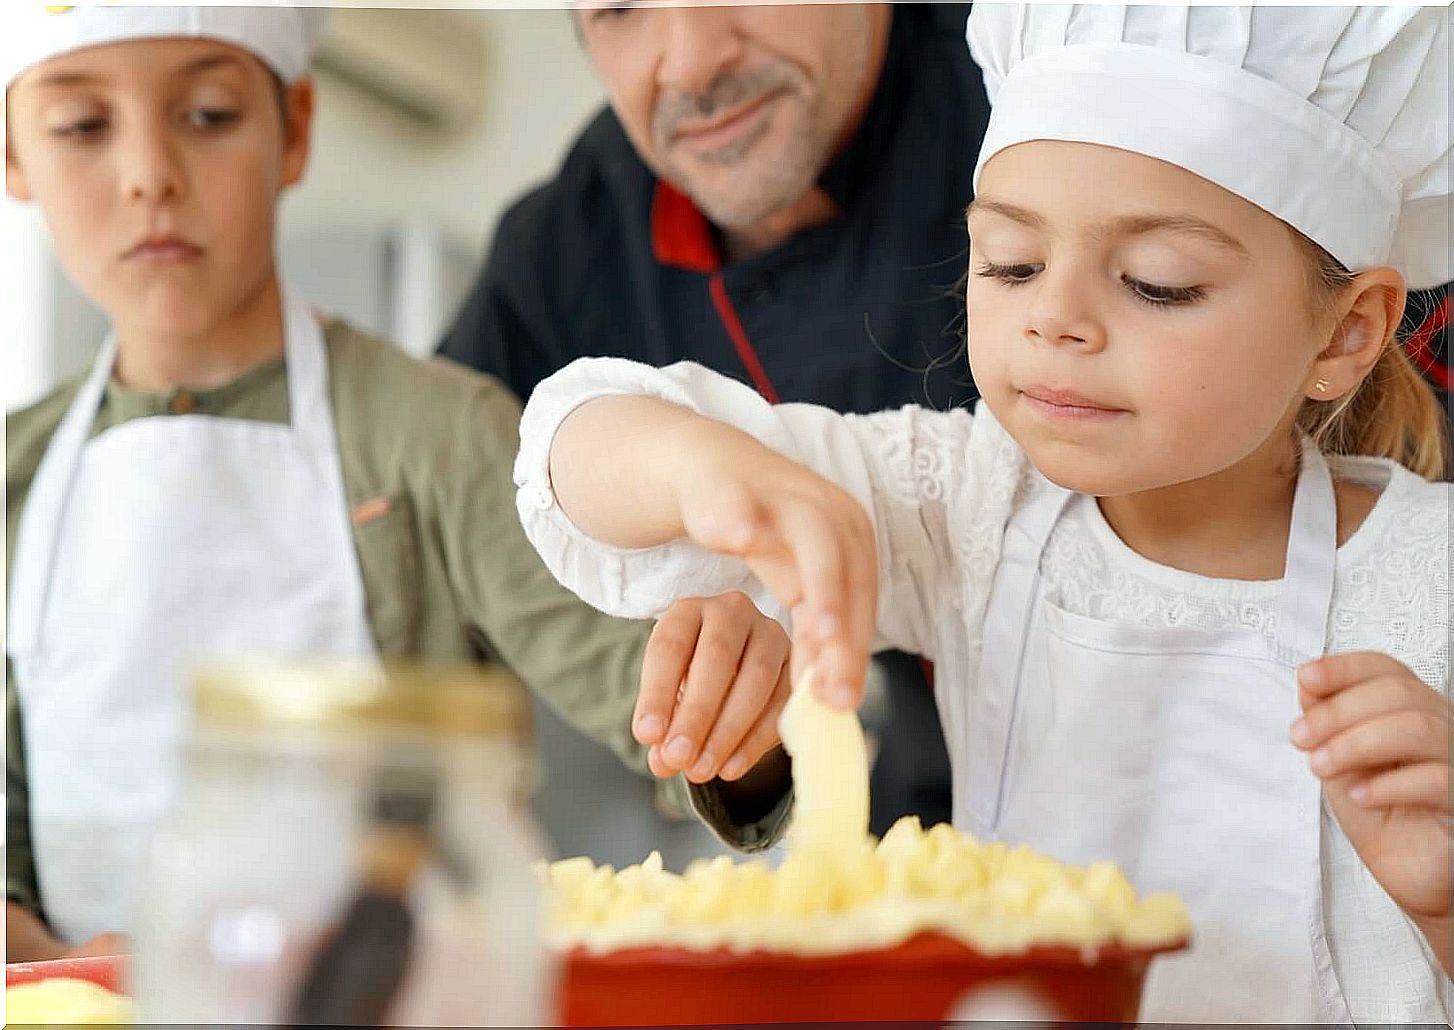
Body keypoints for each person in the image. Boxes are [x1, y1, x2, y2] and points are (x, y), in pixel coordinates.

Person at [512, 4, 1452, 1022]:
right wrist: (710, 468)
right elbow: (570, 440)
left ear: (1346, 334)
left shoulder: (1429, 580)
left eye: (1155, 282)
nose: (1052, 317)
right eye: (1009, 262)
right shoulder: (972, 504)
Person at [4, 5, 789, 963]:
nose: (149, 175)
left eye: (208, 113)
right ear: (13, 158)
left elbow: (665, 713)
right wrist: (68, 968)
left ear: (295, 130)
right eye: (82, 127)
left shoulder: (436, 432)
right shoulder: (16, 477)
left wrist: (738, 709)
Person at [442, 1, 994, 834]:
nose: (693, 60)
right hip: (912, 840)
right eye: (620, 6)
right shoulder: (568, 247)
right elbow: (480, 500)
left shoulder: (1024, 96)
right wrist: (726, 716)